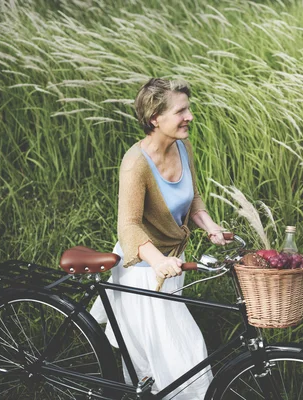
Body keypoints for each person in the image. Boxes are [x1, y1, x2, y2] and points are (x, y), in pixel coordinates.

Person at [90, 78, 229, 399]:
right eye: (181, 110)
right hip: (142, 270)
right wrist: (158, 261)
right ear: (155, 118)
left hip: (171, 267)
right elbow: (128, 226)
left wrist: (210, 227)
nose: (190, 116)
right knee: (184, 352)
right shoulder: (136, 163)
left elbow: (193, 199)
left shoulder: (183, 146)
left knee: (162, 356)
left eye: (188, 108)